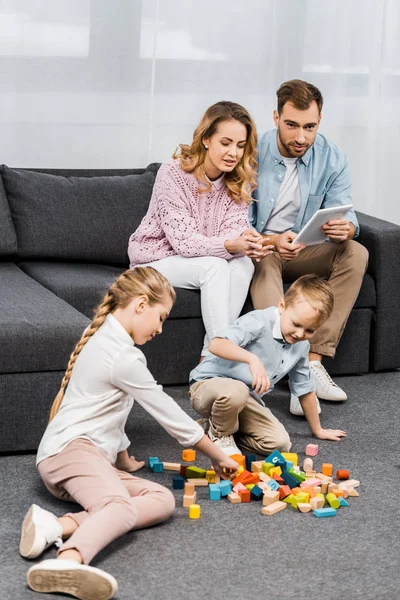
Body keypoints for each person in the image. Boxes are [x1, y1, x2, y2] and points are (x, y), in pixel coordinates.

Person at [20, 267, 238, 600]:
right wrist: (218, 454)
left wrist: (122, 460)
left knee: (161, 500)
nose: (161, 329)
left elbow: (110, 411)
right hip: (70, 453)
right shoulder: (122, 355)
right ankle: (69, 559)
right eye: (161, 317)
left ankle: (57, 527)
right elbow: (167, 411)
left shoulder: (108, 338)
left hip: (82, 457)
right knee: (120, 507)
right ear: (140, 305)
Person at [247, 79, 368, 416]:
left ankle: (312, 361)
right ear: (275, 118)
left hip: (304, 249)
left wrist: (348, 227)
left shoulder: (332, 157)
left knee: (356, 251)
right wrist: (271, 240)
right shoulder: (250, 151)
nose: (301, 137)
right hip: (263, 248)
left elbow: (347, 210)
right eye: (292, 126)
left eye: (310, 127)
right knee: (264, 261)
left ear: (319, 121)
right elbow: (235, 221)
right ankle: (288, 364)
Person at [128, 101, 272, 358]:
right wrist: (230, 244)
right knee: (215, 267)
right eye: (225, 143)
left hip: (202, 259)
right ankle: (223, 355)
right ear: (206, 139)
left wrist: (247, 241)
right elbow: (184, 242)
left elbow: (234, 232)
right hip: (155, 258)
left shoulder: (239, 181)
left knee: (244, 265)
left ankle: (210, 356)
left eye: (240, 145)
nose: (233, 153)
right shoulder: (172, 173)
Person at [189, 275, 346, 456]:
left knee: (280, 445)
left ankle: (215, 426)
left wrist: (318, 430)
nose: (299, 333)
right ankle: (220, 434)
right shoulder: (258, 321)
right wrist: (252, 359)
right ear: (282, 306)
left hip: (245, 399)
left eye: (310, 330)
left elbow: (305, 389)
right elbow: (215, 344)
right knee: (236, 390)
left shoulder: (302, 345)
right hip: (206, 386)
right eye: (296, 324)